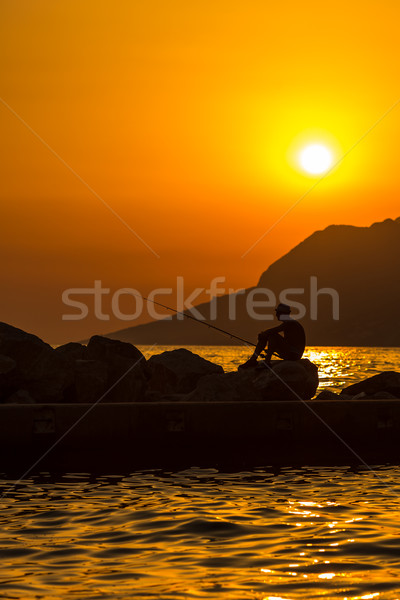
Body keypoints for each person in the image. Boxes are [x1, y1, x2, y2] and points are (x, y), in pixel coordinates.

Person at [239, 303, 306, 368]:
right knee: (269, 335)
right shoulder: (290, 322)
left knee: (272, 335)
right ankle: (253, 360)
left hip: (294, 355)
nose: (276, 315)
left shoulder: (290, 323)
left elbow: (274, 330)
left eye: (278, 313)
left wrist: (264, 334)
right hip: (292, 353)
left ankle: (265, 361)